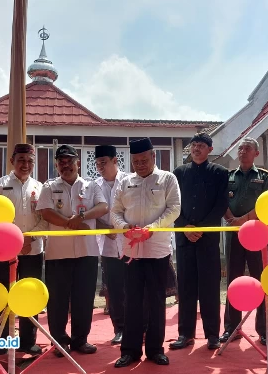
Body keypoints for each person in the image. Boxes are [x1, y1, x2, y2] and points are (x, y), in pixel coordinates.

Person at [111, 138, 181, 368]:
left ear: (153, 157)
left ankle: (155, 350)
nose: (140, 164)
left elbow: (174, 209)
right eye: (135, 161)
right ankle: (130, 351)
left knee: (156, 301)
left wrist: (153, 229)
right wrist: (124, 228)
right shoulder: (124, 182)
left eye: (144, 160)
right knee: (131, 302)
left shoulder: (167, 179)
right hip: (131, 251)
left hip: (157, 250)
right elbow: (115, 211)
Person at [36, 144, 108, 357]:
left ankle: (80, 340)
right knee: (57, 300)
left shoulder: (91, 186)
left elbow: (103, 207)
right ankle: (59, 342)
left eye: (70, 161)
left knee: (84, 298)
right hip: (58, 253)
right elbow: (46, 213)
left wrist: (82, 217)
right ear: (57, 165)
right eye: (61, 162)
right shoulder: (49, 187)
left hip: (87, 251)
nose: (66, 165)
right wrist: (70, 223)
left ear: (78, 163)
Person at [169, 133, 228, 351]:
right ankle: (185, 334)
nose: (196, 149)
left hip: (208, 239)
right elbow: (173, 205)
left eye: (201, 145)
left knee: (209, 288)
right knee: (185, 289)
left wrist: (201, 228)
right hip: (184, 238)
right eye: (193, 145)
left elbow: (221, 204)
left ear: (209, 149)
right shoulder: (179, 173)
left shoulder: (220, 173)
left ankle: (213, 334)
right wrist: (185, 227)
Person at [0, 144, 47, 355]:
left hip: (32, 250)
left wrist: (30, 238)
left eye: (30, 161)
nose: (26, 164)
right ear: (12, 161)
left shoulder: (40, 188)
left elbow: (44, 220)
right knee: (3, 295)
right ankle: (1, 341)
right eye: (21, 160)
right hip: (4, 251)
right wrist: (11, 241)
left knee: (29, 295)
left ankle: (28, 341)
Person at [220, 137, 268, 346]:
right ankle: (231, 327)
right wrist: (231, 218)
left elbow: (267, 204)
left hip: (256, 235)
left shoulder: (265, 177)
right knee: (233, 279)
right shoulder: (228, 176)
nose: (243, 151)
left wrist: (243, 219)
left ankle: (264, 330)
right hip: (233, 234)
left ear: (256, 154)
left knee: (261, 280)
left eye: (247, 148)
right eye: (240, 148)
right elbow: (222, 200)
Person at [94, 145, 128, 345]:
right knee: (114, 290)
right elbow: (90, 214)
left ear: (115, 161)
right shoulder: (94, 185)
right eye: (97, 163)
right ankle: (120, 328)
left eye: (103, 163)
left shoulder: (130, 181)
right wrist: (105, 228)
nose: (100, 167)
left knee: (134, 287)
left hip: (130, 244)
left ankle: (140, 327)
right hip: (107, 245)